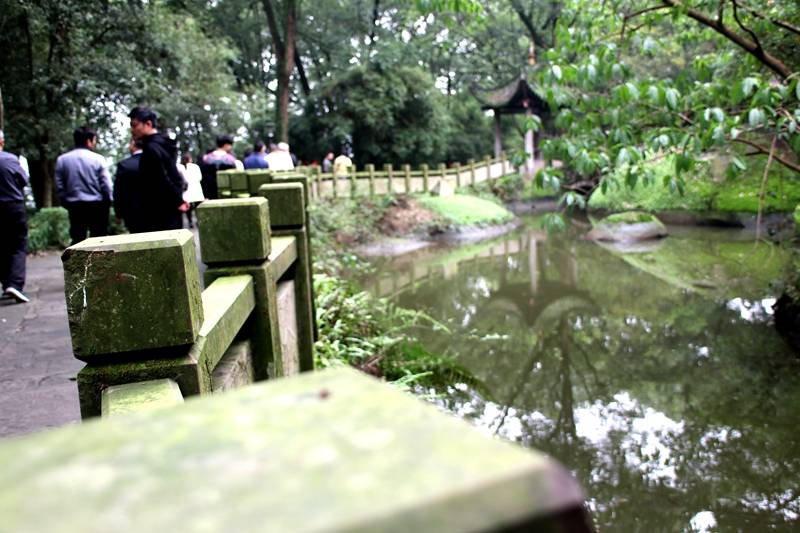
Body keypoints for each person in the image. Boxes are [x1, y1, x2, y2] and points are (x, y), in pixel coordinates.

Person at [128, 106, 189, 232]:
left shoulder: (152, 148)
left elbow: (162, 177)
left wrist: (178, 200)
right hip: (169, 207)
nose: (132, 130)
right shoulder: (163, 144)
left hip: (160, 211)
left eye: (134, 125)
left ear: (148, 124)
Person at [55, 126, 113, 244]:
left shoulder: (62, 160)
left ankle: (77, 262)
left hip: (75, 205)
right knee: (99, 240)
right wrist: (108, 201)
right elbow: (106, 184)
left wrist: (65, 201)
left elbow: (59, 185)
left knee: (77, 238)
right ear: (88, 141)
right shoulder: (98, 159)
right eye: (94, 140)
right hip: (97, 205)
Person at [0, 130, 30, 303]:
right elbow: (23, 180)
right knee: (18, 245)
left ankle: (6, 285)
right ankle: (15, 284)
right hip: (12, 206)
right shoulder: (10, 159)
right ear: (2, 142)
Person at [113, 138, 144, 233]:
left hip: (133, 214)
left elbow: (118, 192)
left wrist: (118, 214)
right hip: (157, 212)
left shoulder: (124, 165)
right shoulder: (157, 162)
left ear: (133, 143)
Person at [178, 153, 204, 228]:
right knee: (197, 206)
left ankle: (190, 222)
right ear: (190, 159)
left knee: (188, 207)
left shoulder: (181, 167)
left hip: (187, 190)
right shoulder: (195, 166)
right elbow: (200, 177)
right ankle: (198, 220)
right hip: (196, 189)